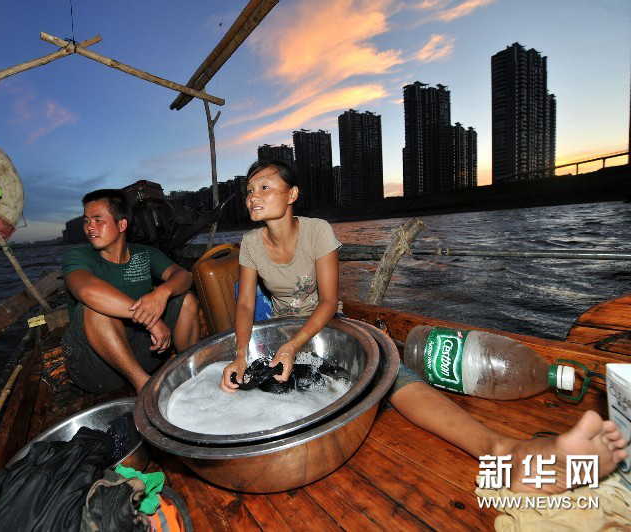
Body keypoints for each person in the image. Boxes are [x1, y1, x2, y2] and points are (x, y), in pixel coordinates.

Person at [221, 160, 627, 493]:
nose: (253, 197)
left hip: (327, 327)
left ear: (292, 195)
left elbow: (328, 302)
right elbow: (243, 303)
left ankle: (500, 448)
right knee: (248, 386)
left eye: (265, 188)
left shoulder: (317, 231)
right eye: (250, 190)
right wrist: (241, 354)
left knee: (391, 371)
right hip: (279, 330)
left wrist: (296, 346)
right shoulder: (251, 243)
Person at [62, 189, 200, 394]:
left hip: (144, 353)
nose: (90, 227)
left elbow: (184, 276)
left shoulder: (144, 254)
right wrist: (150, 319)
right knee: (94, 309)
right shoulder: (78, 255)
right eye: (86, 220)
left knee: (186, 299)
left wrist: (162, 293)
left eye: (98, 220)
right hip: (94, 367)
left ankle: (192, 370)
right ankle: (145, 387)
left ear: (121, 224)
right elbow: (87, 290)